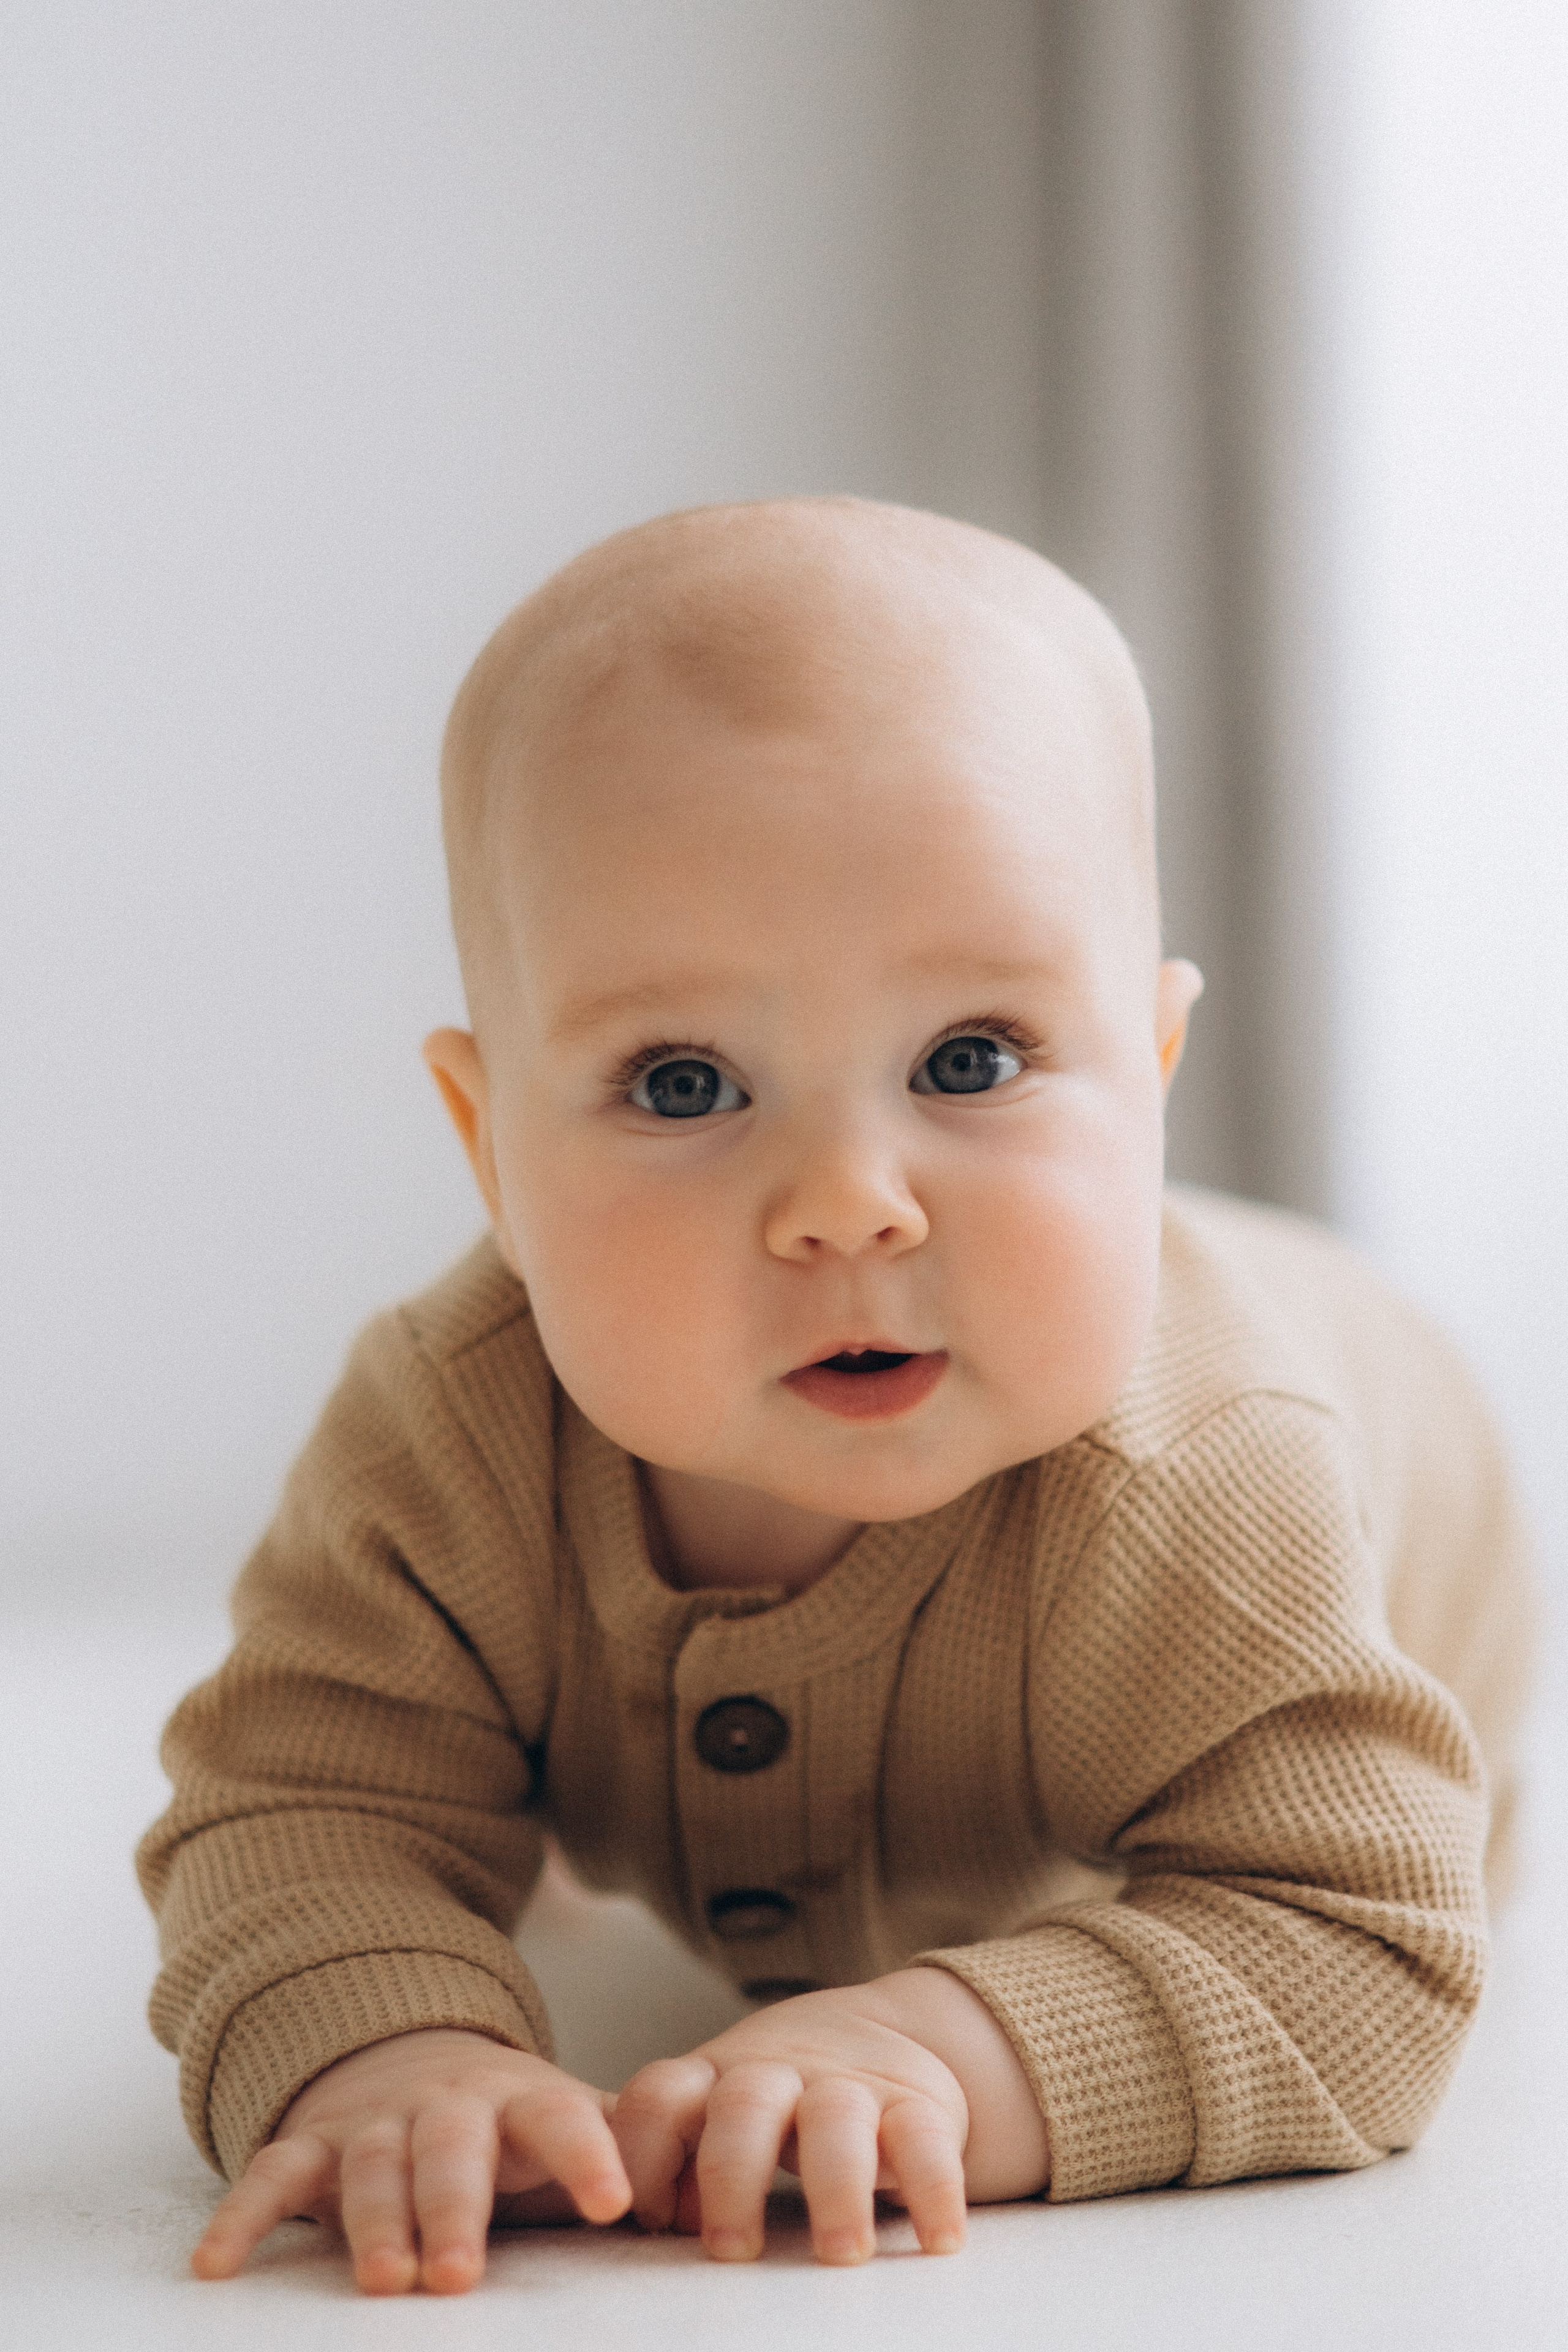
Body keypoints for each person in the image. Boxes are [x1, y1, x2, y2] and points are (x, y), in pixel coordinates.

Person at [137, 497, 1536, 2296]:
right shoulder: (449, 1439)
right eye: (685, 1084)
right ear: (491, 1152)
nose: (847, 1201)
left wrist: (934, 2053)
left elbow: (1363, 1935)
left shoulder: (1207, 1481)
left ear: (1155, 1077)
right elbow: (298, 1812)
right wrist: (388, 2054)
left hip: (1420, 1530)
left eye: (972, 1059)